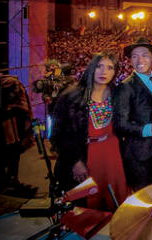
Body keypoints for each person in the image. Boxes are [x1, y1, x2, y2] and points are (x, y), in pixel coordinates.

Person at [53, 52, 131, 210]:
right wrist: (75, 160)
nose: (104, 72)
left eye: (110, 68)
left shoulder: (118, 94)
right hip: (84, 153)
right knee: (86, 202)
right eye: (99, 66)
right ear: (91, 68)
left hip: (112, 153)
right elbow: (58, 134)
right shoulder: (71, 96)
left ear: (115, 72)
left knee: (114, 200)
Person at [113, 37, 152, 190]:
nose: (139, 60)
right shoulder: (125, 87)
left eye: (145, 55)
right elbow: (119, 124)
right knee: (143, 201)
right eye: (134, 56)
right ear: (130, 60)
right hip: (138, 155)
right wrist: (149, 129)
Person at [0, 60, 36, 197]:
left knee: (12, 155)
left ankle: (12, 181)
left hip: (10, 128)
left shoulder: (10, 83)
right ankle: (2, 184)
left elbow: (20, 105)